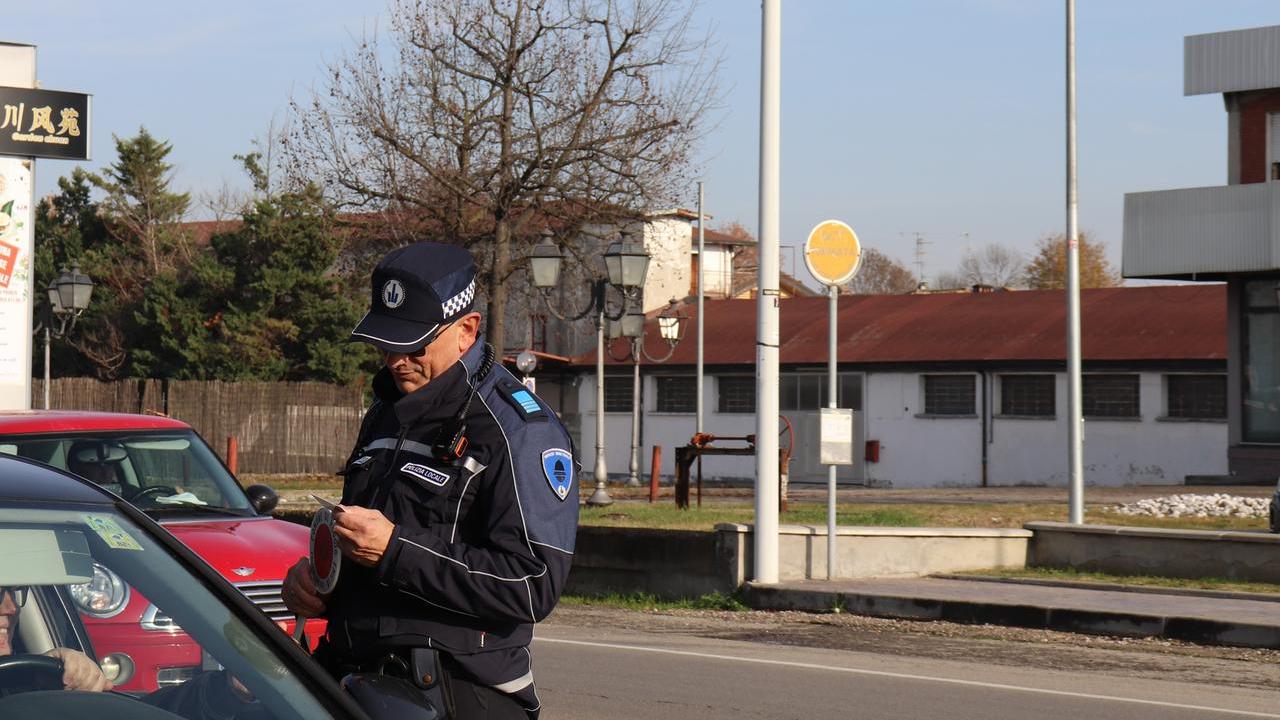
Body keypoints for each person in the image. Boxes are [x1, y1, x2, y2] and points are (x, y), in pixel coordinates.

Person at [282, 242, 580, 719]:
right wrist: (322, 583)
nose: (395, 360)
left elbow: (532, 583)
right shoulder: (385, 411)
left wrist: (395, 550)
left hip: (458, 690)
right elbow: (369, 549)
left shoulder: (518, 430)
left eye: (413, 344)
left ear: (467, 330)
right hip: (356, 679)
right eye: (385, 343)